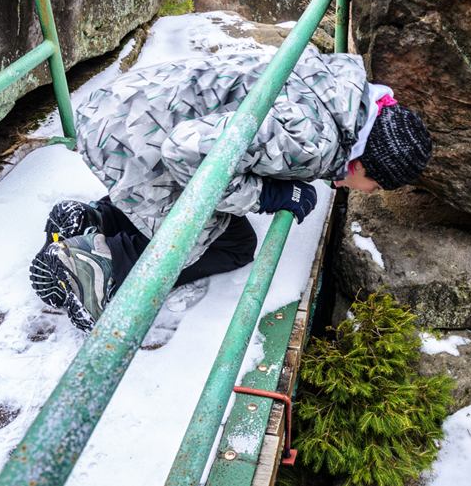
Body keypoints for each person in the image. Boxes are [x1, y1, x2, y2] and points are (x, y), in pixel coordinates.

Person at [29, 47, 433, 331]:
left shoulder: (336, 90)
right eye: (375, 185)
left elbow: (252, 135)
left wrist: (277, 182)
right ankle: (94, 265)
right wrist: (266, 196)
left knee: (226, 227)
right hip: (134, 141)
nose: (367, 191)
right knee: (223, 242)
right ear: (362, 163)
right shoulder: (314, 141)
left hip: (127, 108)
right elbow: (187, 150)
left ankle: (96, 219)